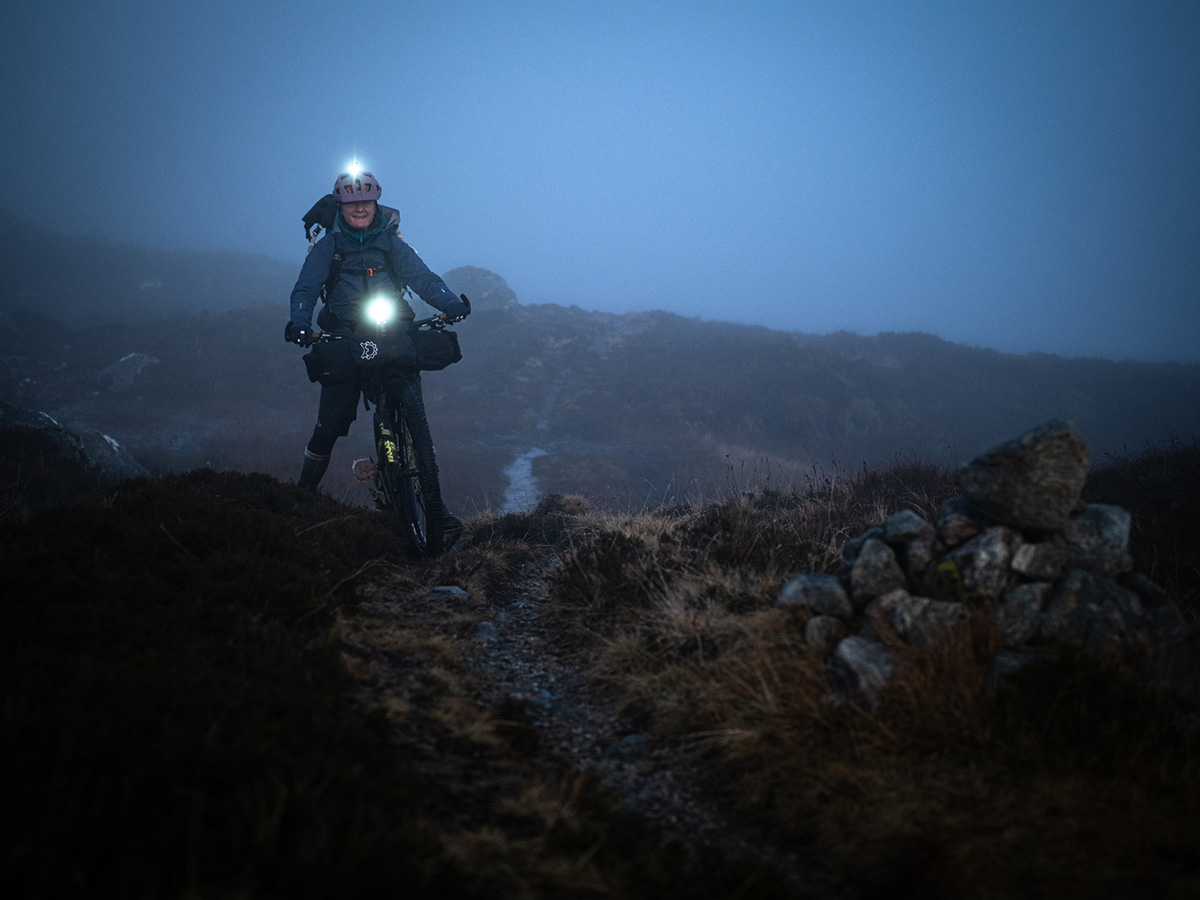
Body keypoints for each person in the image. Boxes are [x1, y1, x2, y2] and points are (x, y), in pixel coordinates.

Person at [285, 169, 466, 531]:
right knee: (331, 423)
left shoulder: (391, 242)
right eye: (352, 203)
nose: (360, 209)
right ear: (340, 205)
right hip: (345, 332)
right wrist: (302, 321)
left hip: (391, 327)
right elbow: (306, 288)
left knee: (416, 421)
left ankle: (434, 507)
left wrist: (449, 301)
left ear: (376, 203)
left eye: (366, 202)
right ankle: (302, 493)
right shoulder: (329, 246)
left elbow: (422, 276)